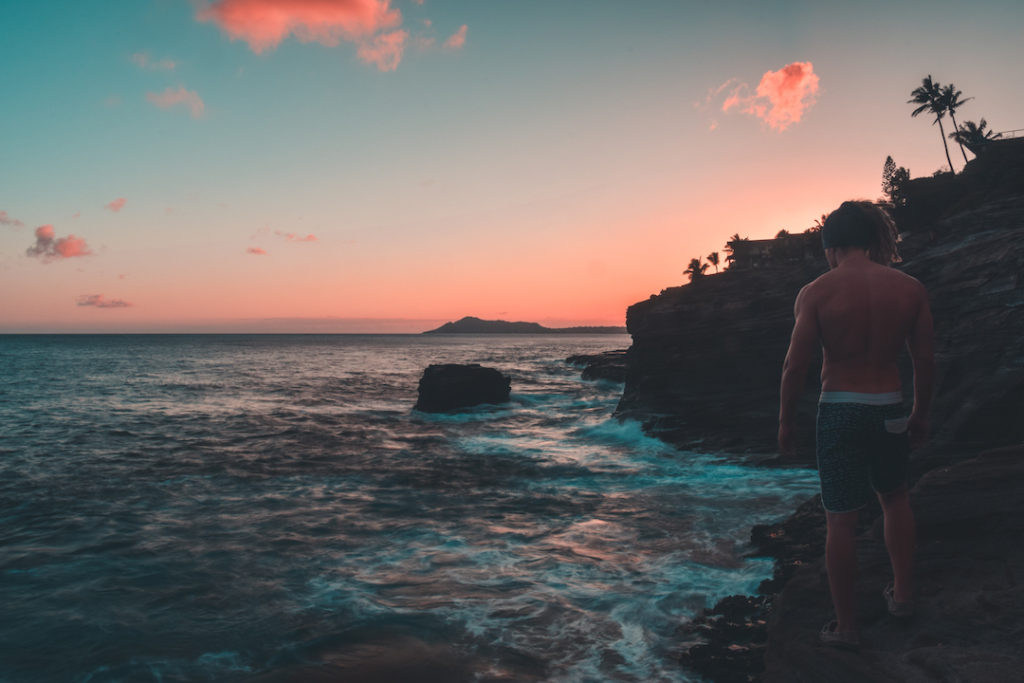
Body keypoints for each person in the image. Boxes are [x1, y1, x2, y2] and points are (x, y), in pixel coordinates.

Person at [778, 200, 934, 649]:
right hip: (889, 406)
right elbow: (924, 361)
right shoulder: (909, 288)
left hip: (840, 407)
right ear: (872, 241)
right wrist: (921, 413)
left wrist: (786, 421)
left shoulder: (816, 292)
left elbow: (794, 367)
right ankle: (902, 596)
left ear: (831, 245)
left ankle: (846, 627)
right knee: (895, 499)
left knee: (840, 522)